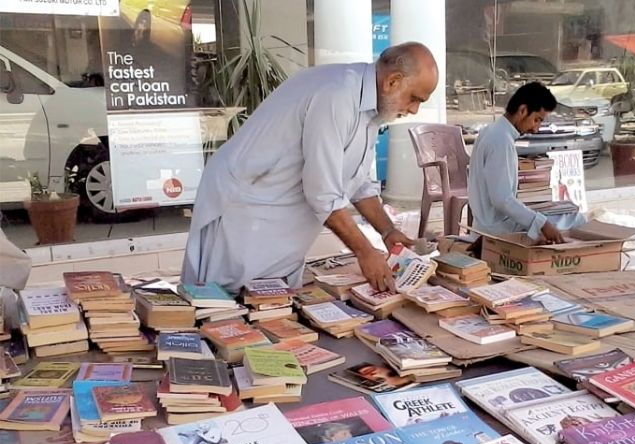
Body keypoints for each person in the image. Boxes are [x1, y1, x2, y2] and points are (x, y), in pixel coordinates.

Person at [182, 42, 439, 293]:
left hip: (277, 212)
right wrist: (364, 252)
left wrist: (388, 231)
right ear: (392, 81)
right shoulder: (337, 94)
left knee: (273, 302)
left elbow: (357, 182)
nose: (414, 109)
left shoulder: (373, 105)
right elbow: (323, 193)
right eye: (415, 99)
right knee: (225, 302)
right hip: (248, 204)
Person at [468, 82, 586, 245]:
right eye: (536, 120)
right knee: (576, 219)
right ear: (523, 110)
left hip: (487, 223)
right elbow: (502, 200)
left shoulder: (490, 131)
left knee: (561, 214)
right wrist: (542, 223)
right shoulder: (501, 140)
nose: (536, 128)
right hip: (499, 228)